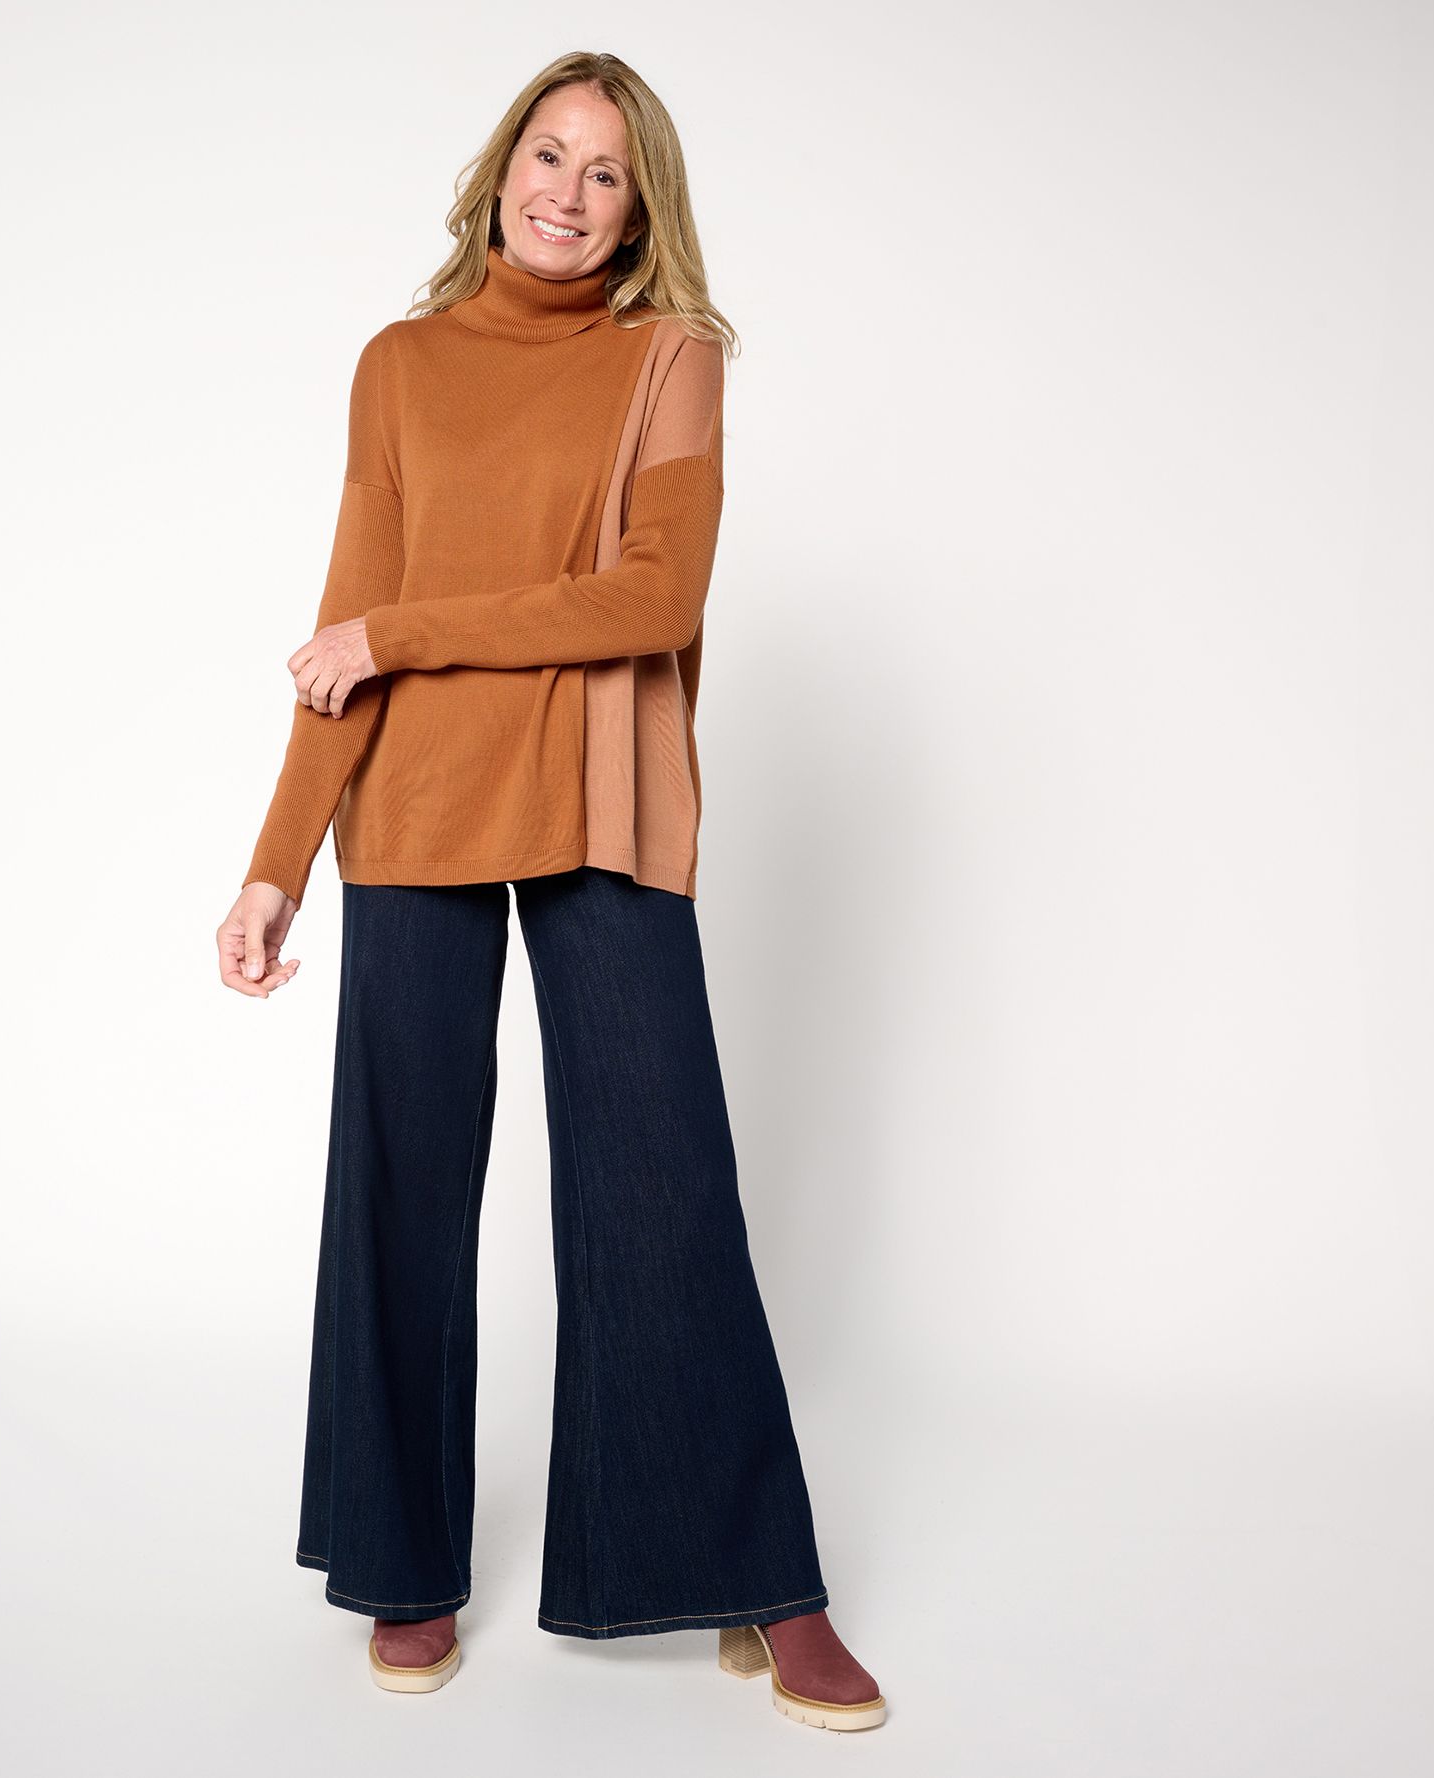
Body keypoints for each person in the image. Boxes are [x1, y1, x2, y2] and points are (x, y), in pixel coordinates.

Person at [216, 51, 886, 1734]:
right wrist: (276, 864)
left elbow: (652, 600)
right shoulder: (401, 365)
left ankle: (759, 1577)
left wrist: (408, 633)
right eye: (547, 153)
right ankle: (402, 1556)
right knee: (399, 1183)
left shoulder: (672, 359)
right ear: (499, 168)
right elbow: (343, 625)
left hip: (601, 801)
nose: (566, 192)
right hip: (416, 807)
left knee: (666, 1181)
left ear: (641, 208)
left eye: (605, 172)